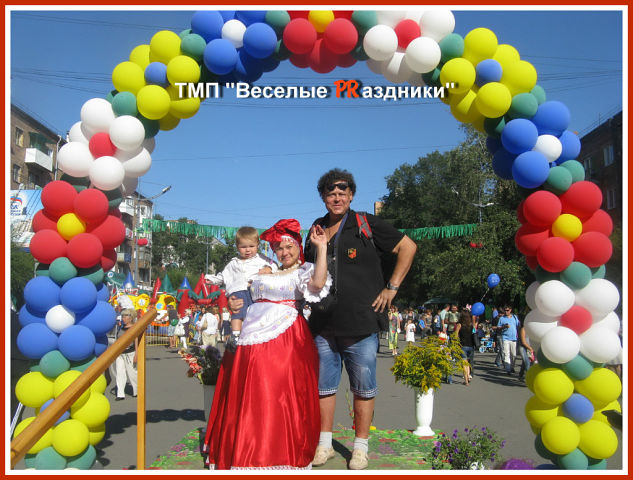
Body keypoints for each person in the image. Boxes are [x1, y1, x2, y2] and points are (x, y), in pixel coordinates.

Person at [303, 169, 417, 470]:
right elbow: (306, 273)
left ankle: (360, 448)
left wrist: (392, 288)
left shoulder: (367, 223)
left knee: (363, 388)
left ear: (351, 195)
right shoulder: (315, 229)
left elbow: (408, 247)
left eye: (342, 192)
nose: (337, 197)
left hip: (361, 322)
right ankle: (324, 445)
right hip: (322, 324)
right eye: (331, 193)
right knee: (323, 388)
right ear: (323, 197)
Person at [203, 219, 330, 469]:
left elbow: (317, 284)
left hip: (284, 337)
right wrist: (231, 303)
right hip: (249, 335)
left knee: (276, 395)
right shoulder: (265, 269)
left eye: (289, 247)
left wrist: (322, 248)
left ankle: (274, 454)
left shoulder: (303, 271)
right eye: (279, 248)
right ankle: (245, 450)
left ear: (298, 247)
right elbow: (238, 290)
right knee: (247, 395)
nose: (284, 252)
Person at [205, 226, 278, 350]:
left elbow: (274, 264)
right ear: (237, 247)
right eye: (243, 247)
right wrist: (213, 280)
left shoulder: (261, 259)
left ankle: (256, 333)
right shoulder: (233, 263)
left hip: (253, 291)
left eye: (251, 246)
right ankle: (236, 335)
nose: (248, 250)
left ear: (258, 245)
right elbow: (223, 276)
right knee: (237, 313)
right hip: (238, 290)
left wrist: (268, 269)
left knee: (255, 314)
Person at [114, 309, 138, 400]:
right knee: (120, 373)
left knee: (132, 373)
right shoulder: (121, 328)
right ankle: (120, 394)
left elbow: (136, 341)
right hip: (120, 354)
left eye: (125, 316)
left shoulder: (134, 328)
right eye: (123, 316)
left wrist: (136, 354)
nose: (123, 318)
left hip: (130, 353)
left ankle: (136, 391)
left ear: (130, 318)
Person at [495, 305, 521, 375]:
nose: (506, 312)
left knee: (514, 354)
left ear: (510, 310)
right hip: (505, 338)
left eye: (507, 310)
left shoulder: (515, 317)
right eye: (505, 310)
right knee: (506, 354)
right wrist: (504, 326)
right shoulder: (502, 318)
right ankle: (508, 369)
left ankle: (512, 367)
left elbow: (518, 326)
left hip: (514, 338)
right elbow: (498, 327)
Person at [454, 309, 475, 385]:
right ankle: (468, 377)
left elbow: (456, 335)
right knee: (468, 363)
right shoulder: (471, 325)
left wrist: (455, 343)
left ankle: (466, 381)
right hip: (471, 345)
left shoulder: (460, 325)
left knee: (464, 364)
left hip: (463, 345)